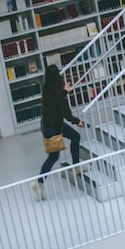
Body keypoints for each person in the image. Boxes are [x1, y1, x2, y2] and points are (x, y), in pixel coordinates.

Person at [36, 58, 82, 197]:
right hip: (53, 127)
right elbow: (64, 111)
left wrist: (64, 91)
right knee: (53, 157)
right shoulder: (57, 93)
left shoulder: (47, 89)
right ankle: (39, 183)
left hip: (49, 124)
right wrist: (77, 121)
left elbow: (58, 98)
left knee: (75, 136)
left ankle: (76, 166)